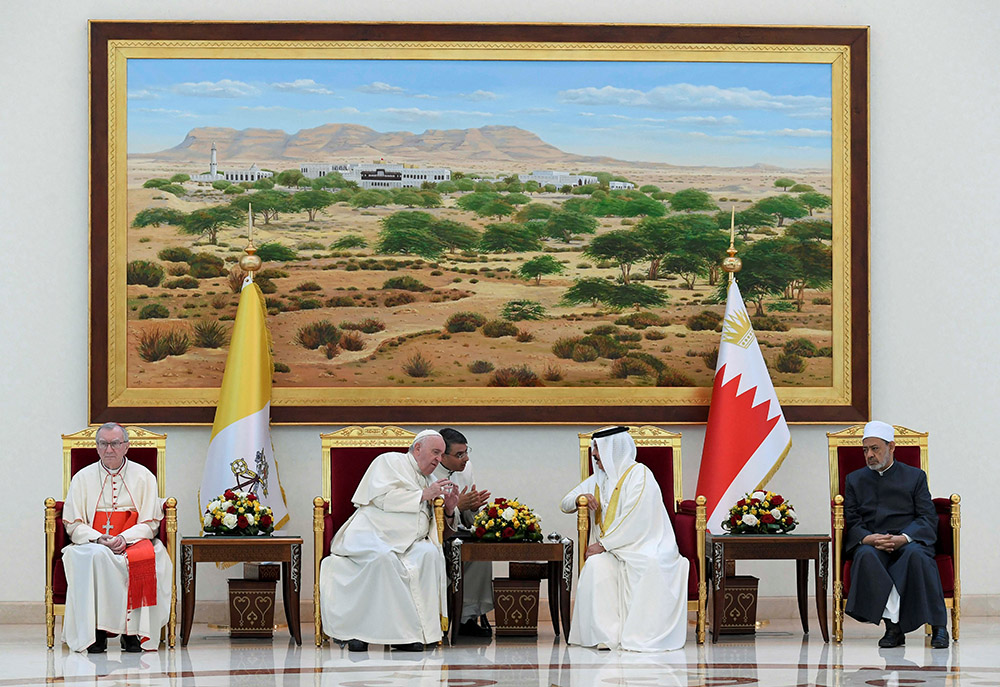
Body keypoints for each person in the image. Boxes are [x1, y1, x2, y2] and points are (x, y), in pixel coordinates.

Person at [319, 429, 459, 652]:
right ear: (417, 448)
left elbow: (443, 529)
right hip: (373, 532)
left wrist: (450, 508)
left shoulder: (431, 480)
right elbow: (381, 499)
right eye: (435, 452)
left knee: (429, 554)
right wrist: (423, 495)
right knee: (382, 559)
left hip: (410, 543)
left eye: (441, 455)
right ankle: (360, 633)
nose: (438, 459)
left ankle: (411, 634)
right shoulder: (390, 461)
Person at [560, 426, 688, 651]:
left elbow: (637, 518)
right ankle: (605, 635)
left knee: (649, 564)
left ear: (613, 450)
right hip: (612, 549)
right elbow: (565, 503)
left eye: (598, 451)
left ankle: (640, 635)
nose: (595, 457)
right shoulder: (599, 479)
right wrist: (582, 497)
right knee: (596, 566)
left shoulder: (640, 474)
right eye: (594, 451)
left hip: (647, 544)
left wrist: (604, 544)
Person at [61, 423, 173, 653]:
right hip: (94, 541)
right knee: (94, 556)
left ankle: (132, 634)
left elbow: (150, 521)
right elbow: (73, 523)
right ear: (97, 447)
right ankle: (96, 633)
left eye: (114, 443)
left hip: (135, 539)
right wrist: (99, 538)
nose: (109, 449)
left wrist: (124, 537)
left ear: (126, 446)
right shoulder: (82, 478)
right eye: (103, 444)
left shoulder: (144, 476)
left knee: (155, 556)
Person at [843, 420, 949, 649]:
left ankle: (939, 626)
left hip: (909, 540)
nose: (869, 455)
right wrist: (867, 538)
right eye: (865, 450)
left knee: (917, 556)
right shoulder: (854, 479)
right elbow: (851, 518)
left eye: (875, 448)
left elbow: (926, 517)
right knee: (866, 556)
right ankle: (893, 628)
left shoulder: (915, 477)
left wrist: (905, 538)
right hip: (873, 541)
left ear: (891, 447)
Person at [433, 428, 493, 637]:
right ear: (441, 456)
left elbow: (468, 519)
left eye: (467, 452)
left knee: (481, 551)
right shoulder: (428, 470)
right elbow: (425, 512)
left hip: (458, 532)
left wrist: (473, 507)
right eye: (459, 455)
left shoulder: (466, 468)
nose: (466, 459)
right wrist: (457, 506)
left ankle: (467, 617)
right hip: (433, 534)